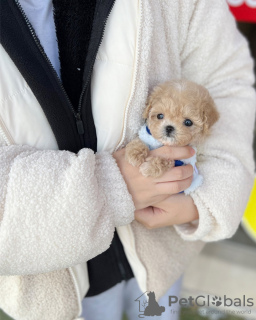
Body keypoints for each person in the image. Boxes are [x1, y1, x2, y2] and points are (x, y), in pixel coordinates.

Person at [0, 0, 255, 320]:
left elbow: (227, 80)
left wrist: (205, 196)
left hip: (163, 247)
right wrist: (108, 186)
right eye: (160, 115)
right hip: (57, 275)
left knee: (160, 312)